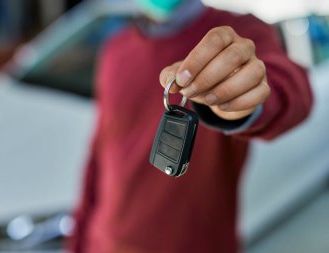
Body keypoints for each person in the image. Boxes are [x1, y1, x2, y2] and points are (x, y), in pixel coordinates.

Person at [69, 0, 313, 252]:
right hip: (103, 242)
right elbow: (100, 153)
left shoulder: (239, 31)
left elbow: (290, 90)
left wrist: (240, 101)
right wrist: (78, 241)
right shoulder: (115, 47)